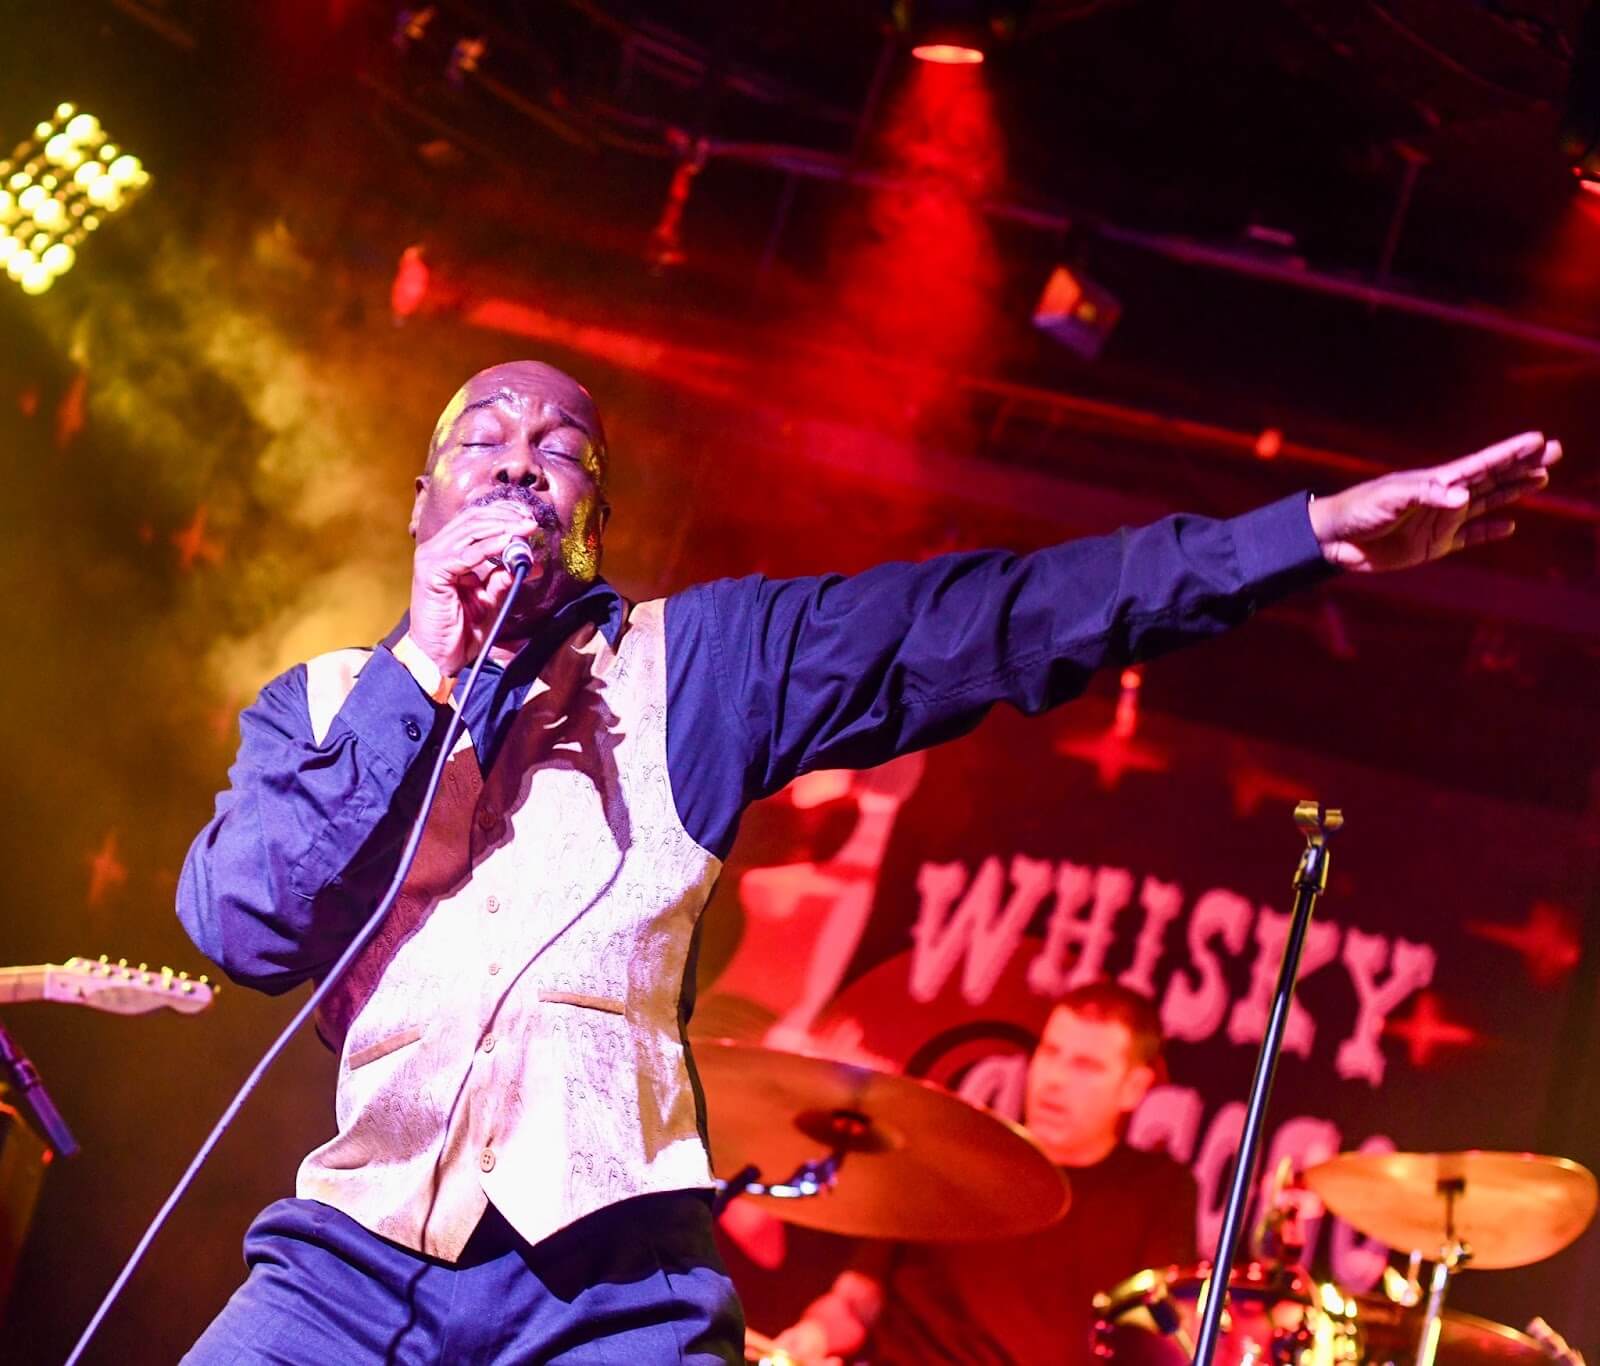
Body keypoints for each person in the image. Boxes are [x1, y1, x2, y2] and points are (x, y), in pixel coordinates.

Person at [175, 358, 1559, 1363]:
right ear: (425, 502)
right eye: (485, 436)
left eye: (566, 445)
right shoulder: (327, 701)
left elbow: (998, 619)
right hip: (348, 1273)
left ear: (597, 510)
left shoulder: (700, 665)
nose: (524, 455)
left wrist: (1300, 537)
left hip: (609, 1290)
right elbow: (248, 922)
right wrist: (423, 662)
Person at [772, 982, 1195, 1366]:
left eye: (1086, 1066)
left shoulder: (1157, 1190)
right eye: (1050, 1053)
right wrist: (814, 1335)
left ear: (1134, 1088)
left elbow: (1167, 1341)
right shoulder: (956, 1148)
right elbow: (855, 1302)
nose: (1054, 1080)